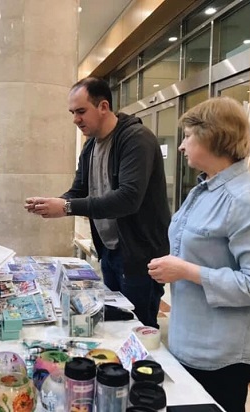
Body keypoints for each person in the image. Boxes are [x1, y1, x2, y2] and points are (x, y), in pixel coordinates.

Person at [147, 97, 250, 412]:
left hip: (223, 352)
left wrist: (186, 271)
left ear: (211, 137)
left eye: (188, 136)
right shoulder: (205, 189)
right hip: (192, 339)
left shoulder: (246, 198)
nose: (182, 146)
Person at [25, 77, 170, 328]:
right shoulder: (90, 145)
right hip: (109, 251)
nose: (75, 119)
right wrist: (54, 203)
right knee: (114, 324)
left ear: (103, 106)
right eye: (72, 112)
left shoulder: (136, 139)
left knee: (139, 326)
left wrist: (67, 207)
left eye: (81, 111)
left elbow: (128, 199)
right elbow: (79, 190)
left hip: (139, 255)